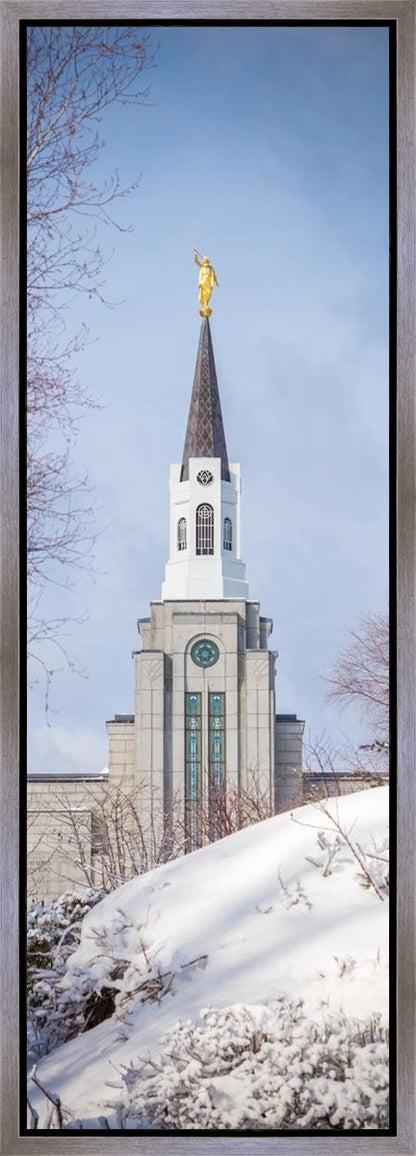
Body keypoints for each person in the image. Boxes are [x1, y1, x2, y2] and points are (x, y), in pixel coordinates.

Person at [192, 248, 219, 315]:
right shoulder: (202, 267)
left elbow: (214, 275)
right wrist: (196, 255)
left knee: (208, 293)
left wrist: (216, 282)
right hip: (203, 280)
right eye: (204, 260)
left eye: (205, 260)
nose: (204, 261)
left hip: (209, 282)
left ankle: (206, 303)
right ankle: (204, 304)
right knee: (203, 292)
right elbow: (196, 261)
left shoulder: (210, 268)